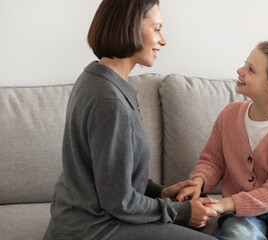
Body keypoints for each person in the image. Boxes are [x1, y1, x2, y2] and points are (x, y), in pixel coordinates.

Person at [43, 0, 218, 239]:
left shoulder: (97, 79)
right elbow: (119, 201)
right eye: (156, 29)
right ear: (131, 27)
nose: (163, 40)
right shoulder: (108, 100)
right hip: (93, 228)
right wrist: (182, 212)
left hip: (95, 219)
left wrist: (162, 192)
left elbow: (111, 177)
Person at [176, 41, 268, 240]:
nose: (240, 70)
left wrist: (222, 204)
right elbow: (211, 161)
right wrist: (198, 182)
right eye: (245, 63)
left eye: (251, 69)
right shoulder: (229, 115)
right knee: (237, 235)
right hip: (241, 209)